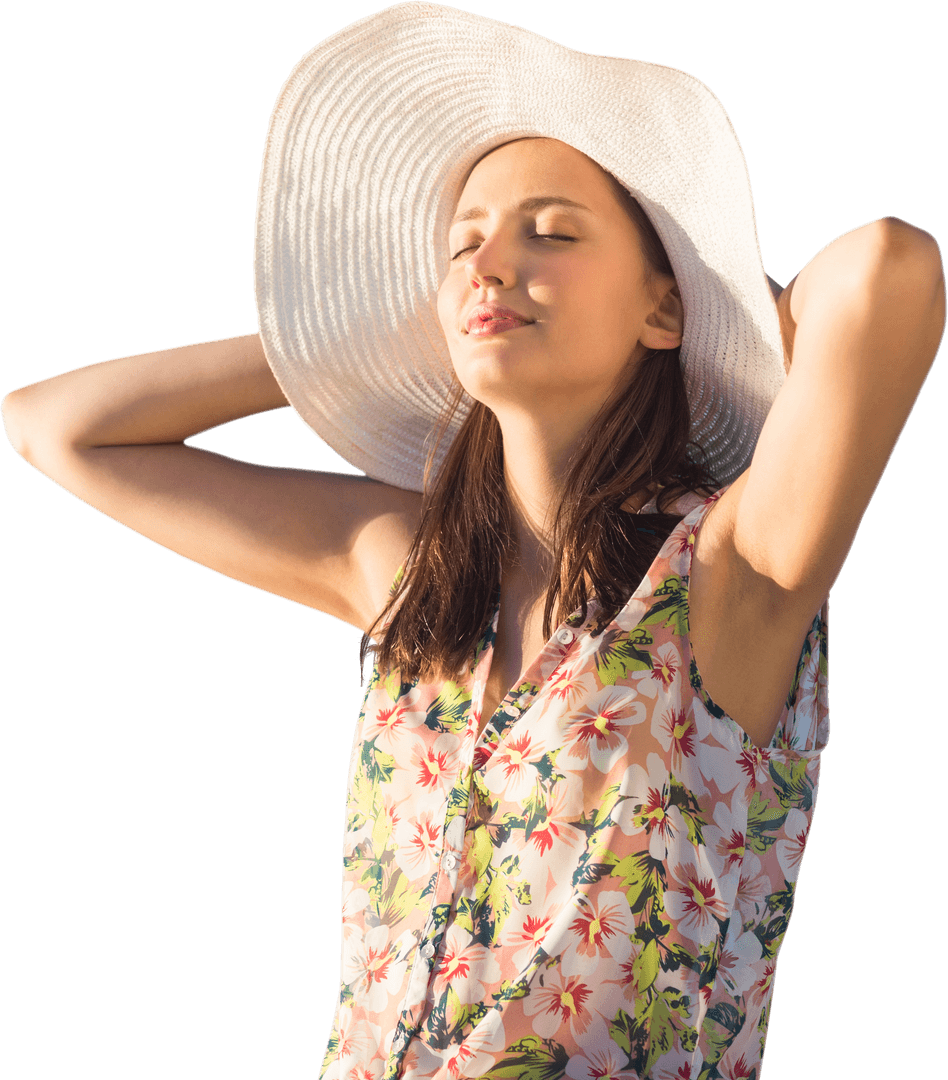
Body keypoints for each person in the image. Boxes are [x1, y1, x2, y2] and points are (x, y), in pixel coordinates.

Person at [2, 3, 944, 1079]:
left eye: (551, 233)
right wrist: (347, 343)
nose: (490, 264)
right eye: (464, 245)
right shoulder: (406, 580)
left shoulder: (726, 583)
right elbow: (53, 427)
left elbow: (886, 269)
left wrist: (730, 307)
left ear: (660, 309)